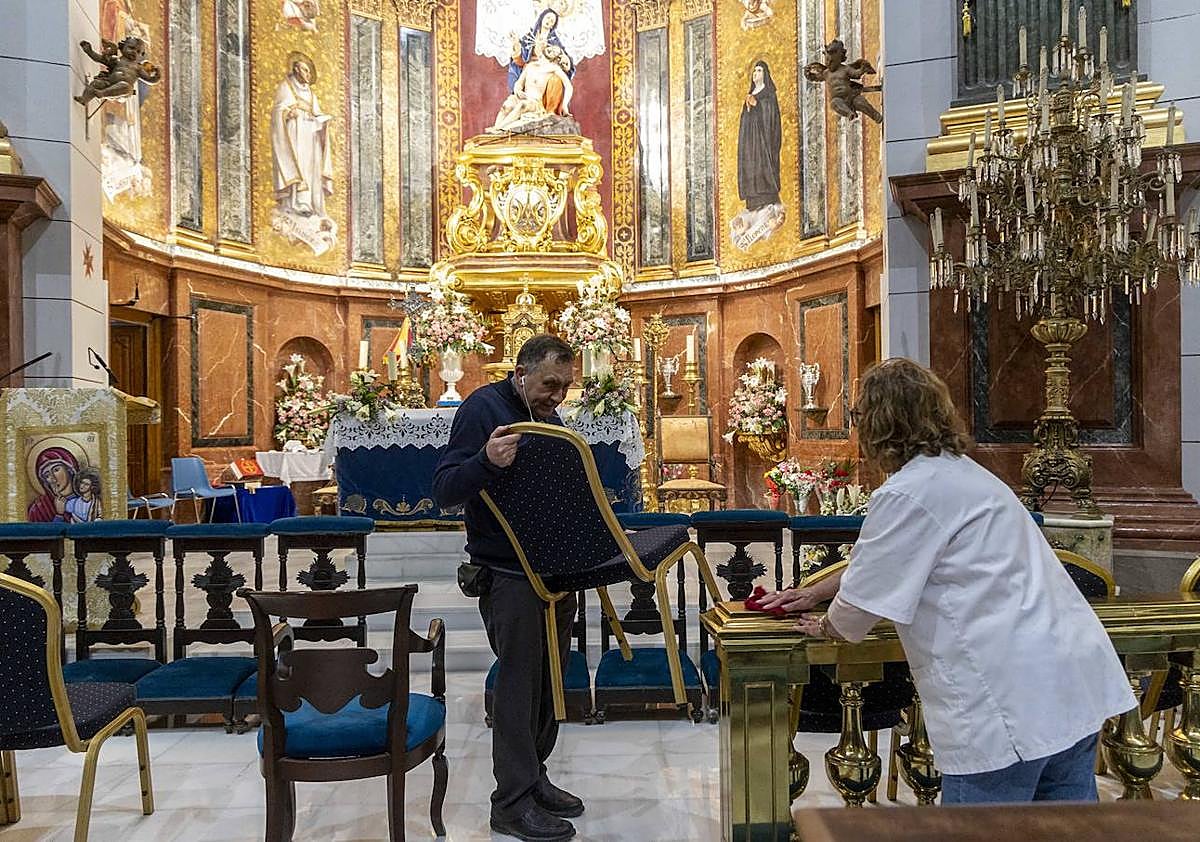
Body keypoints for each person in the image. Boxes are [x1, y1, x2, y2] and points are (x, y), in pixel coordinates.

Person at [757, 358, 1136, 804]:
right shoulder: (967, 474)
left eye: (859, 417)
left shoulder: (907, 492)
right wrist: (819, 590)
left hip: (1008, 701)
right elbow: (888, 562)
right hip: (1071, 682)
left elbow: (855, 616)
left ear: (880, 424)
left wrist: (823, 624)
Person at [432, 334, 580, 842]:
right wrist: (486, 462)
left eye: (564, 387)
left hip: (553, 571)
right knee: (518, 688)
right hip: (509, 574)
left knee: (549, 683)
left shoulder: (550, 419)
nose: (557, 396)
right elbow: (446, 489)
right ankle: (510, 805)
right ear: (521, 372)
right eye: (549, 385)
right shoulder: (483, 407)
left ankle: (533, 778)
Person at [488, 44, 575, 133]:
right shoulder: (531, 65)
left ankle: (500, 130)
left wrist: (564, 105)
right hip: (521, 97)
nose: (552, 50)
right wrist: (517, 90)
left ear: (556, 58)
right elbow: (519, 83)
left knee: (522, 106)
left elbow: (568, 86)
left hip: (535, 103)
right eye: (552, 48)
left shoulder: (553, 68)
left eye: (555, 52)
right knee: (506, 106)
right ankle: (496, 130)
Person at [736, 60, 782, 214]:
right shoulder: (750, 94)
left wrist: (757, 105)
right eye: (754, 71)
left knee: (763, 165)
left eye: (759, 70)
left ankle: (768, 199)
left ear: (765, 74)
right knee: (751, 165)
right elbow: (745, 121)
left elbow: (772, 118)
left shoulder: (769, 94)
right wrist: (748, 109)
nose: (756, 73)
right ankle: (753, 201)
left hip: (764, 141)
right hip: (751, 141)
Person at [508, 9, 575, 94]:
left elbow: (564, 60)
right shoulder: (530, 36)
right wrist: (516, 43)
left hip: (545, 69)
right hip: (529, 69)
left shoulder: (554, 41)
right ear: (542, 18)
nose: (549, 21)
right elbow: (519, 60)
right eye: (548, 18)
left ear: (553, 26)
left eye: (552, 21)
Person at [26, 447, 81, 523]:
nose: (53, 479)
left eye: (56, 470)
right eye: (47, 475)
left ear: (69, 469)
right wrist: (59, 515)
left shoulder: (87, 499)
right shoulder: (39, 509)